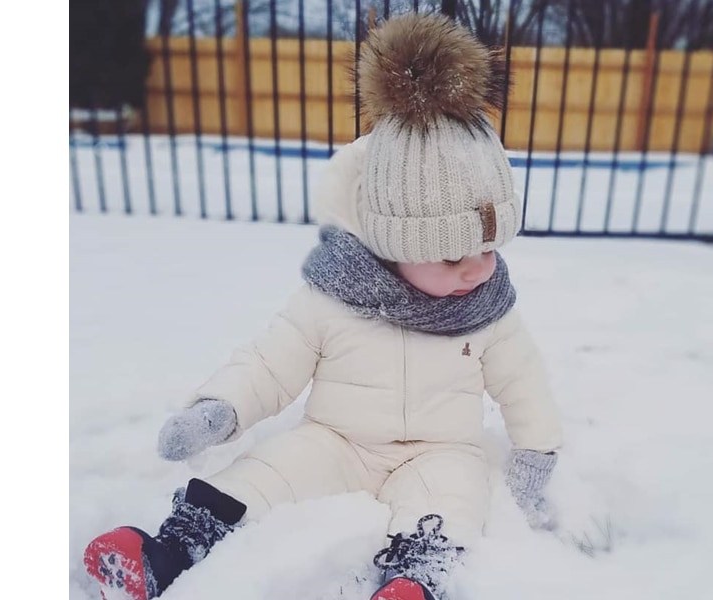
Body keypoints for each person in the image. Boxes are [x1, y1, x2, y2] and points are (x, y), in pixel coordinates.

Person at [82, 12, 562, 600]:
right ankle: (168, 551)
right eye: (451, 256)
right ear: (393, 243)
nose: (476, 269)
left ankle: (417, 579)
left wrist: (537, 449)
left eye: (488, 249)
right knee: (262, 474)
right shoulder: (333, 297)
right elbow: (270, 360)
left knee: (448, 505)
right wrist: (220, 408)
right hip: (335, 439)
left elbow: (524, 381)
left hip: (442, 450)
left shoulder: (489, 310)